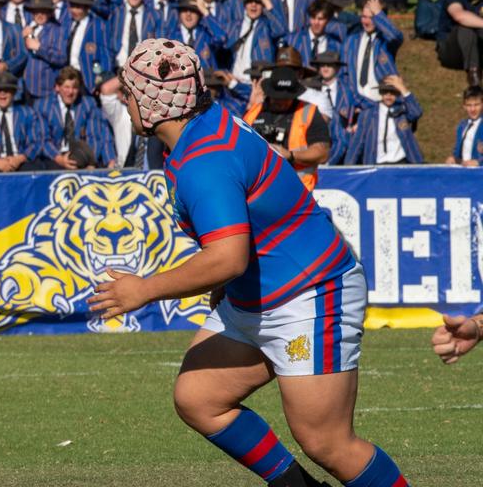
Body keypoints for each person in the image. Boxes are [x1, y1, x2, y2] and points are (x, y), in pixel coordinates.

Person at [91, 39, 409, 487]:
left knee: (327, 443)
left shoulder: (204, 160)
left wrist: (142, 289)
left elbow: (228, 256)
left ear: (152, 101)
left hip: (310, 294)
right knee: (198, 398)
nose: (123, 100)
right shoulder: (202, 126)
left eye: (129, 92)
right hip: (260, 294)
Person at [242, 66, 330, 190]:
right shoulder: (253, 112)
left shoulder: (309, 112)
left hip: (298, 190)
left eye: (287, 98)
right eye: (277, 97)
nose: (282, 102)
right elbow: (238, 149)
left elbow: (322, 153)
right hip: (257, 189)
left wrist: (290, 155)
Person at [344, 76, 424, 165]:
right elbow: (357, 143)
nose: (388, 95)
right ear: (380, 93)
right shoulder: (367, 114)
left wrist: (402, 88)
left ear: (397, 93)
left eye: (392, 92)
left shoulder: (403, 111)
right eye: (385, 92)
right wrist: (348, 167)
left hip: (401, 161)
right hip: (376, 163)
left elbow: (416, 112)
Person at [439, 0, 483, 85]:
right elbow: (459, 16)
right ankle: (473, 72)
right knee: (466, 27)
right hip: (452, 52)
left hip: (476, 48)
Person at [447, 86, 483, 165]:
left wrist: (478, 162)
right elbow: (458, 151)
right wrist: (454, 159)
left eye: (476, 105)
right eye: (469, 105)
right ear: (464, 106)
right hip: (463, 173)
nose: (472, 109)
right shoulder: (462, 126)